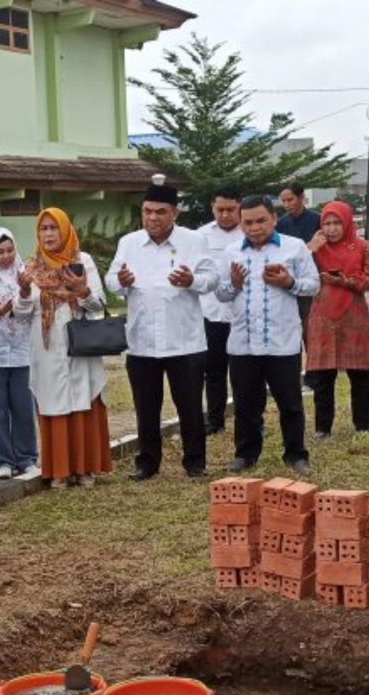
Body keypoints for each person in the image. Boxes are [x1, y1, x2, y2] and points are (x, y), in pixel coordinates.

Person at [107, 181, 217, 480]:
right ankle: (147, 462)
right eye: (147, 211)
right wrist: (123, 281)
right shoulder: (129, 242)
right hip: (143, 341)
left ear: (175, 213)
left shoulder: (194, 241)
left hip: (185, 341)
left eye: (160, 212)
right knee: (146, 407)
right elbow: (111, 280)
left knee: (190, 406)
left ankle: (195, 463)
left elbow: (213, 279)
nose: (152, 218)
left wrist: (192, 280)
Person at [216, 195, 320, 475]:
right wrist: (234, 285)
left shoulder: (294, 248)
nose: (255, 227)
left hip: (282, 342)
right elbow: (220, 294)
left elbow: (313, 285)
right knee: (246, 405)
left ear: (274, 219)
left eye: (261, 220)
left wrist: (289, 282)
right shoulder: (231, 253)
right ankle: (246, 454)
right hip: (243, 343)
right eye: (247, 222)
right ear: (241, 224)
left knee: (290, 403)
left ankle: (296, 454)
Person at [17, 208, 111, 488]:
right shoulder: (31, 267)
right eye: (43, 229)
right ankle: (58, 469)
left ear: (65, 229)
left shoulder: (83, 261)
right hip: (46, 347)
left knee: (83, 397)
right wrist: (22, 294)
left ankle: (85, 468)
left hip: (79, 343)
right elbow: (22, 314)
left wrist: (81, 290)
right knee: (54, 403)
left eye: (53, 228)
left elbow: (100, 305)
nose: (48, 234)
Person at [305, 201, 369, 437]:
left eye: (337, 223)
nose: (332, 229)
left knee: (358, 374)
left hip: (353, 318)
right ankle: (322, 428)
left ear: (347, 222)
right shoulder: (316, 248)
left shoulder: (362, 247)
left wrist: (345, 280)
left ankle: (362, 425)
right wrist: (310, 250)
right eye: (326, 223)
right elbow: (297, 274)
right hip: (322, 317)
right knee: (323, 377)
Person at [0, 227, 37, 479]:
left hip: (23, 351)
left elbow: (33, 307)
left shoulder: (25, 274)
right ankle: (2, 460)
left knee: (23, 407)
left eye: (10, 250)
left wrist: (22, 297)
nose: (5, 256)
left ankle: (26, 458)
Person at [197, 187, 244, 435]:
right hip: (211, 313)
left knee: (243, 372)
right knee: (213, 370)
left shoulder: (251, 233)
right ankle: (214, 421)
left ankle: (246, 420)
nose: (225, 214)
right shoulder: (200, 236)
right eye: (220, 209)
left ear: (239, 207)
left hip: (242, 314)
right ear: (212, 208)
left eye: (230, 209)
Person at [277, 181, 322, 389]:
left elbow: (321, 248)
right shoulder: (281, 224)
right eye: (283, 201)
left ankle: (313, 376)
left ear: (302, 197)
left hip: (310, 283)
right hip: (286, 285)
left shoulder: (317, 220)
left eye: (290, 199)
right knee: (290, 331)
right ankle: (291, 377)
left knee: (309, 332)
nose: (287, 204)